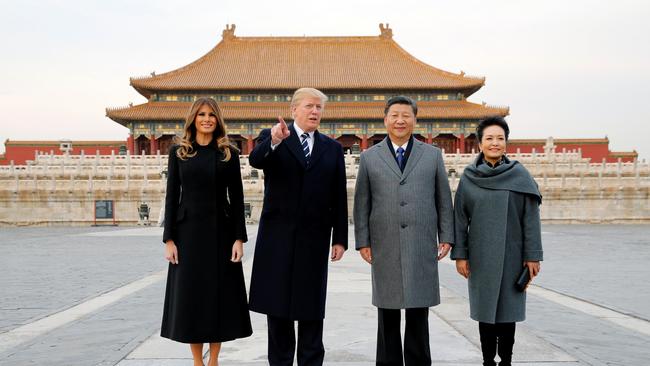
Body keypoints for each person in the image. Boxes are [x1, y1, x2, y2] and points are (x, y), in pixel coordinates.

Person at [248, 87, 348, 366]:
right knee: (278, 311)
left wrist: (339, 237)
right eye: (309, 106)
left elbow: (338, 194)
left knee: (311, 311)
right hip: (277, 239)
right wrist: (275, 142)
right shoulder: (273, 137)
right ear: (293, 110)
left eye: (319, 107)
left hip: (314, 240)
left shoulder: (332, 148)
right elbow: (256, 160)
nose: (315, 112)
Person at [353, 95, 454, 366]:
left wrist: (446, 235)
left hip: (421, 242)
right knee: (387, 312)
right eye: (394, 115)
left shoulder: (431, 155)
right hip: (384, 242)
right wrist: (362, 240)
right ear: (385, 120)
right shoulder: (369, 157)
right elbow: (362, 202)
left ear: (415, 120)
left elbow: (443, 198)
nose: (400, 120)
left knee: (418, 312)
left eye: (406, 115)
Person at [161, 97, 252, 366]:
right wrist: (169, 239)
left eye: (211, 114)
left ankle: (214, 360)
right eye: (201, 114)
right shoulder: (179, 151)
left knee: (218, 297)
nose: (207, 119)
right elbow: (171, 196)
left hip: (221, 234)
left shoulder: (228, 153)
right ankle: (197, 361)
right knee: (191, 296)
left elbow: (237, 197)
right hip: (187, 234)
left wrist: (239, 238)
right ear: (193, 118)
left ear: (218, 120)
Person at [451, 116, 543, 366]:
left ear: (506, 143)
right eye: (489, 138)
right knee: (486, 314)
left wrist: (532, 255)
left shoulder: (520, 175)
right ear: (479, 143)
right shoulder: (470, 177)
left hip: (514, 255)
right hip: (481, 256)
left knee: (508, 315)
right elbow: (460, 218)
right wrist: (461, 255)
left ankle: (507, 361)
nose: (495, 143)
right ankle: (487, 361)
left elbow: (530, 218)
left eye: (500, 138)